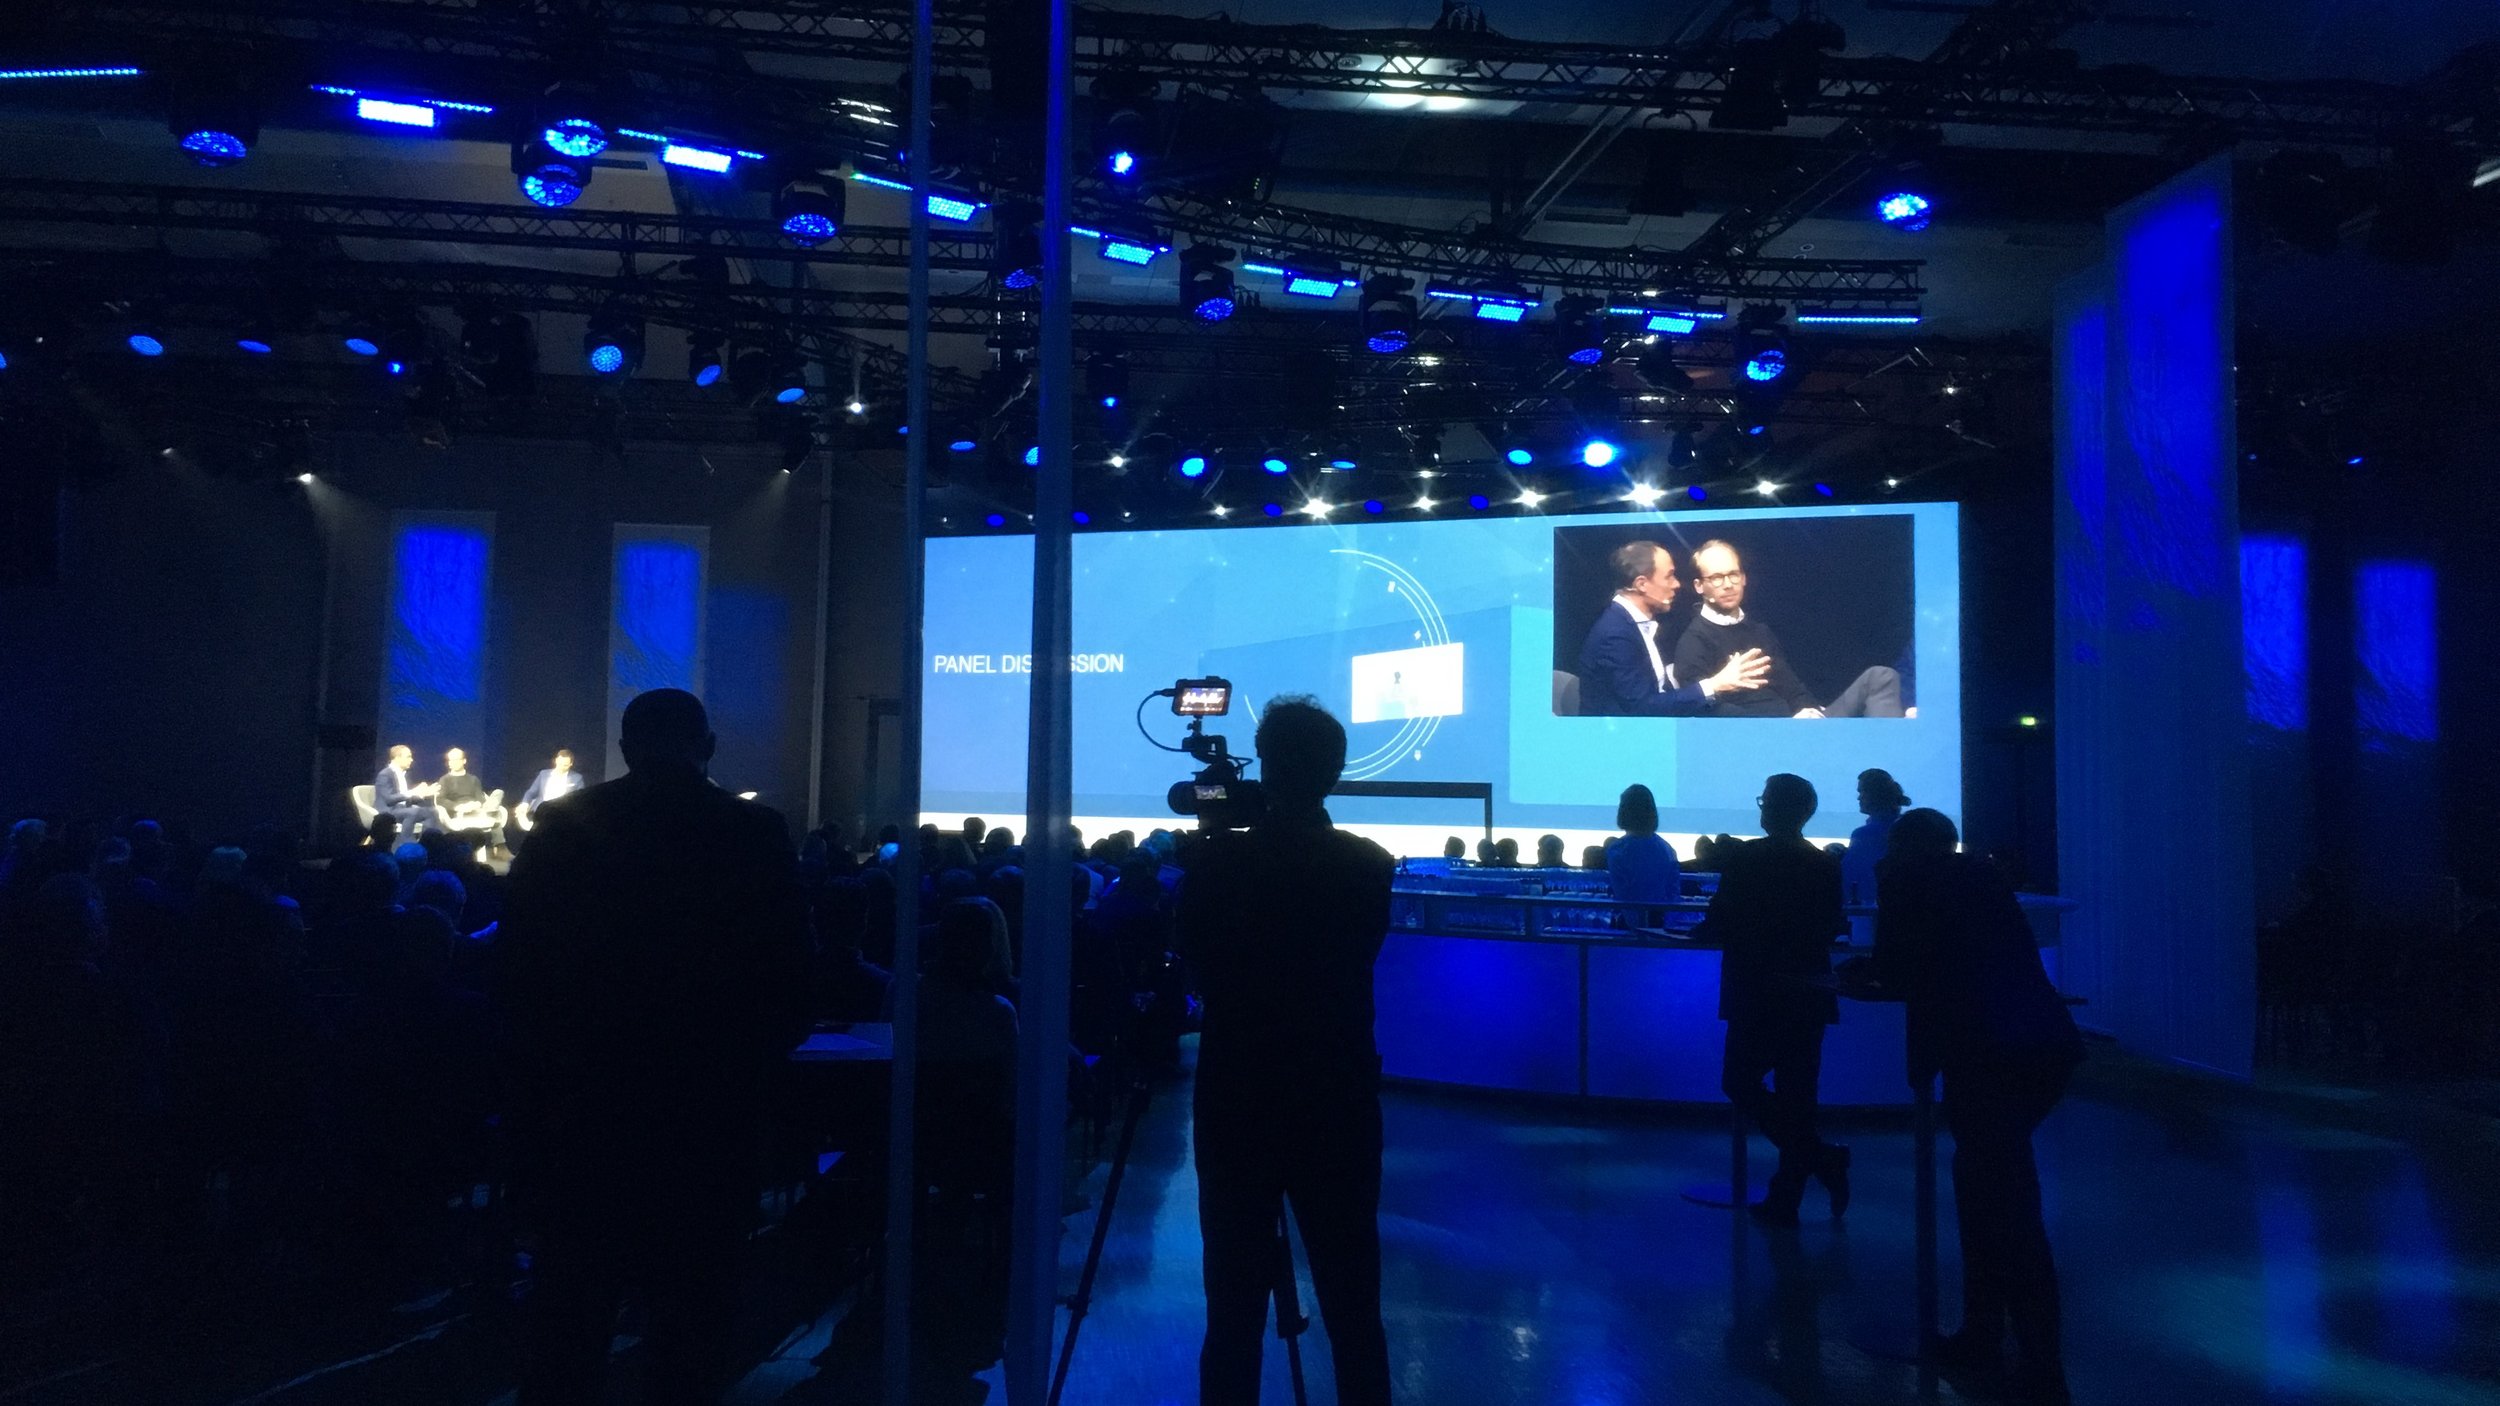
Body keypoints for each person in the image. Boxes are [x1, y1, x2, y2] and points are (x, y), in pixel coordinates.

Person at [497, 688, 812, 1406]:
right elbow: (790, 979)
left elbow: (518, 972)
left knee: (570, 1324)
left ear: (624, 746)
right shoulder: (754, 831)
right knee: (692, 1331)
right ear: (707, 746)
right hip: (708, 1118)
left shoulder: (563, 824)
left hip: (581, 1110)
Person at [1177, 696, 1394, 1406]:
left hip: (1238, 1103)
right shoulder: (1368, 867)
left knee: (1231, 1313)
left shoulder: (1218, 866)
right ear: (1334, 771)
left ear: (1265, 766)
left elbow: (1196, 968)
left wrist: (1215, 832)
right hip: (1336, 1104)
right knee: (1354, 1307)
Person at [1856, 809, 2082, 1406]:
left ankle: (2036, 1365)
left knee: (2003, 1205)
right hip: (2041, 1044)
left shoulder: (1903, 876)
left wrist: (1862, 973)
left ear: (1903, 846)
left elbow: (1900, 965)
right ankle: (1998, 1341)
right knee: (1994, 1190)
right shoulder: (1982, 876)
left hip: (1985, 1051)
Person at [1702, 773, 1849, 1226]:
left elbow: (1722, 920)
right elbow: (1830, 926)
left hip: (1756, 989)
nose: (1760, 807)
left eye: (1764, 800)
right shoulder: (1823, 863)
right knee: (1799, 1094)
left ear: (1774, 808)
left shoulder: (1748, 858)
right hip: (1806, 991)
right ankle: (1793, 1189)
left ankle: (1820, 1161)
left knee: (1739, 1083)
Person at [1672, 540, 1906, 719]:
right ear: (1699, 586)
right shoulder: (1693, 642)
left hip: (1800, 725)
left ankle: (1888, 767)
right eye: (1717, 577)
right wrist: (1785, 722)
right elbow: (1706, 710)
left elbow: (1791, 686)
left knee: (1880, 676)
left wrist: (1809, 711)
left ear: (1743, 578)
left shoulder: (1758, 631)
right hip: (1762, 737)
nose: (1728, 584)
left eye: (1733, 574)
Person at [1576, 540, 1772, 716]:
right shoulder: (1615, 634)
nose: (1677, 584)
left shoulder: (1630, 623)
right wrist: (1715, 684)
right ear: (1642, 584)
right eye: (1669, 577)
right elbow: (1643, 709)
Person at [1606, 783, 1681, 912]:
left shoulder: (1618, 850)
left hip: (1628, 923)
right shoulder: (1667, 850)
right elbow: (1673, 893)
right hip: (1661, 921)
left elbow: (1622, 895)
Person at [1843, 768, 1910, 909]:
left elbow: (1848, 880)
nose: (1859, 798)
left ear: (1877, 795)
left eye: (1862, 792)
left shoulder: (1864, 835)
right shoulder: (1906, 829)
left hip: (1868, 913)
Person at [432, 747, 509, 854]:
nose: (452, 763)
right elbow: (440, 800)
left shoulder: (473, 779)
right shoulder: (445, 780)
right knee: (493, 816)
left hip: (476, 810)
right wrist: (458, 807)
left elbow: (480, 798)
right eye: (450, 760)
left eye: (456, 759)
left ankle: (490, 809)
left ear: (464, 761)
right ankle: (499, 845)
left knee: (498, 793)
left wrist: (476, 804)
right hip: (457, 814)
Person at [375, 744, 436, 840]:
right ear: (397, 758)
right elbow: (389, 799)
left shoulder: (404, 775)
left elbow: (406, 798)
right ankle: (405, 843)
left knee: (431, 812)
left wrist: (422, 794)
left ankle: (426, 842)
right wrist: (413, 791)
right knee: (413, 812)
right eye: (408, 757)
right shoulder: (385, 775)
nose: (411, 760)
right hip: (389, 811)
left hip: (403, 808)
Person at [514, 749, 583, 832]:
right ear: (556, 760)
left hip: (561, 815)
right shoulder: (544, 774)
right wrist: (524, 804)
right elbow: (531, 792)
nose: (561, 767)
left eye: (565, 765)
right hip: (540, 813)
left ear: (571, 764)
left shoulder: (577, 778)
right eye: (560, 764)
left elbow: (580, 800)